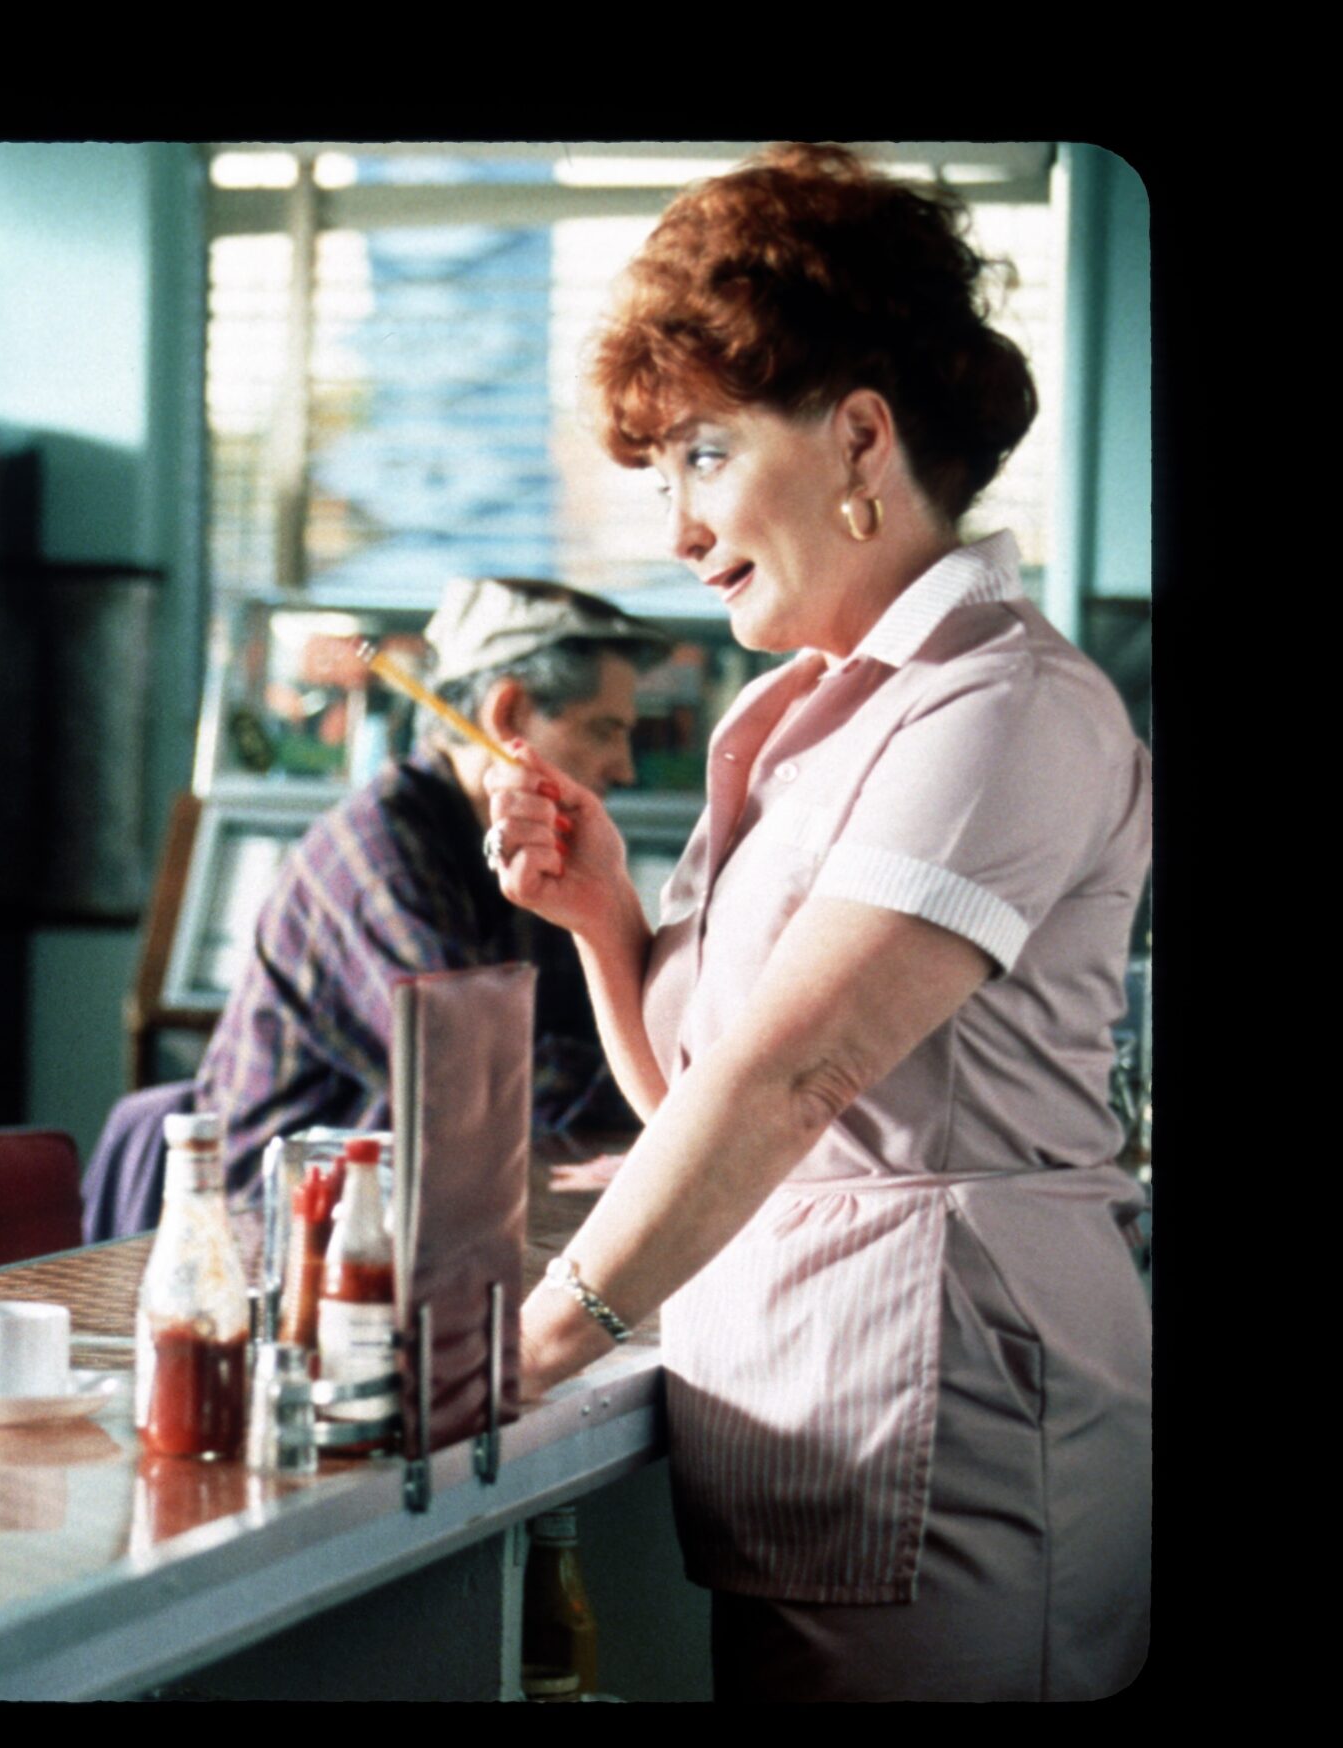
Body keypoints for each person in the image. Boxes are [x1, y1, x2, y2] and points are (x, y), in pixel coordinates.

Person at [483, 144, 1148, 1700]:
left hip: (959, 1425)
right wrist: (604, 921)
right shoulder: (798, 717)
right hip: (816, 1414)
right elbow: (704, 1093)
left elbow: (796, 1079)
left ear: (860, 433)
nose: (675, 527)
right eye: (659, 474)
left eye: (705, 455)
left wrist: (524, 1351)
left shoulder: (1006, 705)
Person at [194, 579, 670, 1177]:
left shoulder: (523, 842)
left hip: (431, 1189)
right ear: (508, 713)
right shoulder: (381, 859)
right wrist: (689, 1092)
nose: (624, 769)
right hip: (282, 1212)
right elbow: (482, 1082)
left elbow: (586, 1035)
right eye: (604, 730)